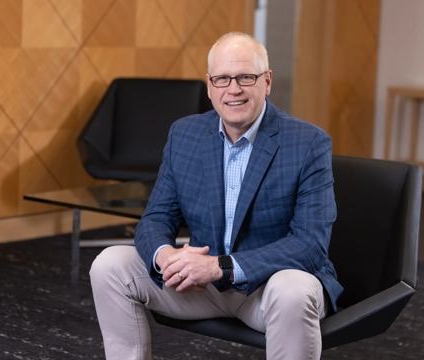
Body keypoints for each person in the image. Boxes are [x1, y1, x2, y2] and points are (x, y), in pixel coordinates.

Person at [90, 31, 343, 360]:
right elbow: (156, 218)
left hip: (267, 289)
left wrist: (221, 267)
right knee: (109, 265)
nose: (233, 89)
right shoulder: (185, 133)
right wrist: (166, 257)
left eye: (245, 77)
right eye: (222, 79)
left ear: (266, 82)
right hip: (200, 287)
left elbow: (310, 245)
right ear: (209, 86)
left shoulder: (308, 142)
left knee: (293, 291)